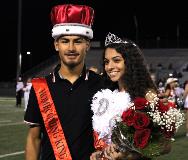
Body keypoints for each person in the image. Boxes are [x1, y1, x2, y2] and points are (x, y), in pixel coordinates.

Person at [24, 4, 104, 160]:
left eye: (78, 41)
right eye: (65, 41)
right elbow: (34, 139)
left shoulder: (102, 85)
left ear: (87, 45)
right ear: (56, 45)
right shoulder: (40, 87)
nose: (71, 47)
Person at [90, 33, 171, 160]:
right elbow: (104, 141)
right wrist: (99, 154)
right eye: (106, 62)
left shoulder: (148, 95)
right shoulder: (105, 95)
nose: (110, 67)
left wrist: (128, 155)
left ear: (129, 62)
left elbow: (165, 146)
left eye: (116, 60)